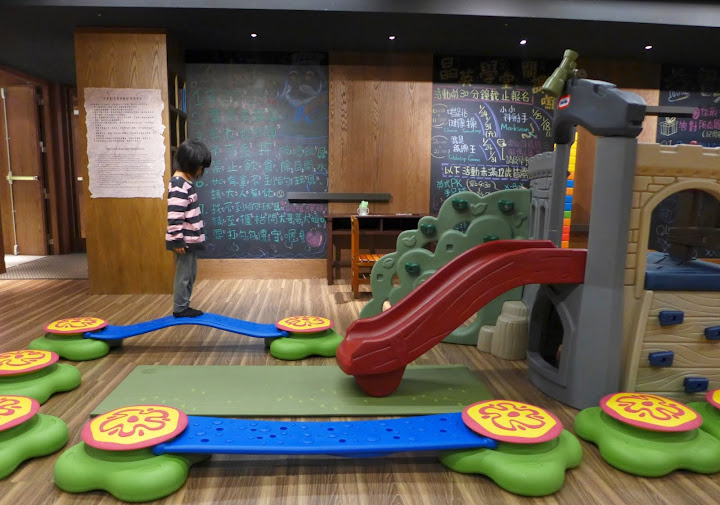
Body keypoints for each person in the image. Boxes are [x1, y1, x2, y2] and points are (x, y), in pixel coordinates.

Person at [165, 139, 211, 318]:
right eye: (200, 167)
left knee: (190, 273)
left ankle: (184, 305)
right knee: (184, 275)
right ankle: (180, 308)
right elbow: (175, 215)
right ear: (190, 164)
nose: (201, 171)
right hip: (183, 241)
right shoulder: (179, 184)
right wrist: (178, 240)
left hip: (189, 239)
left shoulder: (185, 182)